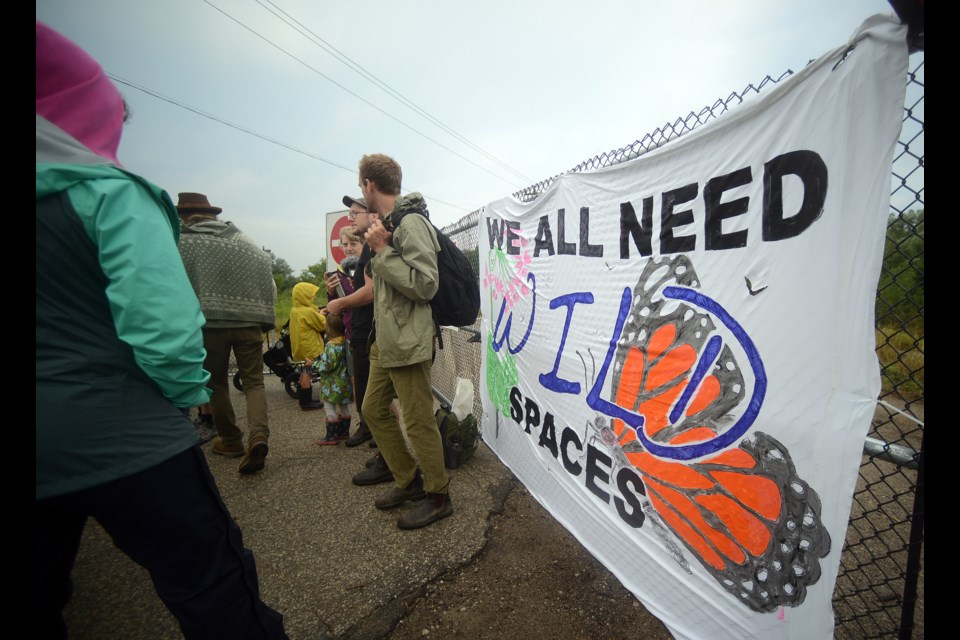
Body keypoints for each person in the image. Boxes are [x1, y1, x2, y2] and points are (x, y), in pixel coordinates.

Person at [35, 20, 287, 638]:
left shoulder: (183, 236)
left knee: (220, 386)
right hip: (125, 424)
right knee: (209, 585)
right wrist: (180, 394)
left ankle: (226, 434)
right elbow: (162, 319)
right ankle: (253, 433)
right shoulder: (110, 195)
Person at [350, 153, 453, 530]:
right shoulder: (390, 224)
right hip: (387, 340)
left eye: (361, 185)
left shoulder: (411, 223)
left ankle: (439, 496)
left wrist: (381, 251)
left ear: (369, 185)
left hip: (408, 341)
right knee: (373, 409)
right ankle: (409, 481)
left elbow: (426, 285)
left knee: (418, 419)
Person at [177, 192, 278, 474]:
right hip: (249, 323)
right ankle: (258, 436)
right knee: (254, 383)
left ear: (183, 216)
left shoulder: (182, 242)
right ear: (213, 215)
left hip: (209, 324)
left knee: (217, 384)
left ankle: (232, 440)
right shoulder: (243, 240)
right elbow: (269, 283)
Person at [325, 196, 382, 451]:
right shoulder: (346, 269)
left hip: (369, 330)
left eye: (355, 212)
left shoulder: (372, 251)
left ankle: (380, 437)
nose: (350, 216)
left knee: (374, 390)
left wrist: (341, 302)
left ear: (371, 215)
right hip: (354, 331)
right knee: (361, 383)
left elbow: (369, 292)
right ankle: (370, 429)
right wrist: (332, 296)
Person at [308, 312, 353, 446]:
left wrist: (313, 365)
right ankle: (344, 431)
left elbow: (326, 365)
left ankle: (331, 435)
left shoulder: (331, 347)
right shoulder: (346, 344)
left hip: (331, 384)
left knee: (329, 406)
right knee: (344, 405)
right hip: (345, 383)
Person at [289, 281, 327, 411]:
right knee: (308, 373)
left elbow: (310, 312)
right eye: (311, 295)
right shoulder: (307, 312)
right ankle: (306, 403)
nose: (313, 297)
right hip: (310, 348)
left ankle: (304, 400)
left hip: (301, 348)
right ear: (304, 296)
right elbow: (322, 325)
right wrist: (322, 315)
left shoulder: (296, 310)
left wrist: (317, 311)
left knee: (304, 372)